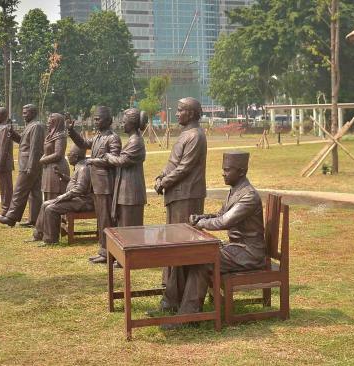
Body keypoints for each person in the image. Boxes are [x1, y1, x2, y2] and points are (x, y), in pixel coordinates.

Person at [156, 151, 265, 323]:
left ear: (241, 172)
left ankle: (188, 318)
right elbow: (219, 214)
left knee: (204, 260)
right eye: (224, 169)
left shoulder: (248, 196)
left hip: (249, 253)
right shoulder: (235, 191)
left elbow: (224, 222)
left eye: (227, 170)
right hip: (235, 248)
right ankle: (171, 302)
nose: (223, 173)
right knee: (186, 253)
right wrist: (203, 217)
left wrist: (200, 224)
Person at [153, 97, 207, 312]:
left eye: (180, 110)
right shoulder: (185, 134)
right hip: (176, 195)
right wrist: (160, 176)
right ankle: (172, 295)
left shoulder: (196, 136)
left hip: (187, 196)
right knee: (173, 245)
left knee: (182, 247)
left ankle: (179, 298)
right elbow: (172, 164)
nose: (176, 114)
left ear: (192, 114)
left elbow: (185, 167)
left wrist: (164, 182)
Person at [67, 106, 122, 264]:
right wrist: (72, 131)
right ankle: (104, 250)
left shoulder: (113, 138)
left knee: (107, 219)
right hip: (96, 185)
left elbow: (113, 160)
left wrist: (92, 161)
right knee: (101, 219)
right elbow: (83, 143)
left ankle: (109, 253)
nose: (95, 121)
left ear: (108, 120)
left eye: (98, 119)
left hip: (106, 185)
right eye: (95, 119)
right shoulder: (98, 137)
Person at [87, 108, 147, 227]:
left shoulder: (135, 141)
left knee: (129, 227)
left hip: (131, 191)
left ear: (132, 123)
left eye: (124, 122)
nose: (122, 124)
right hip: (126, 189)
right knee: (123, 225)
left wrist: (108, 156)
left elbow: (122, 160)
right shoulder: (132, 140)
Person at [31, 145, 94, 245]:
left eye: (70, 155)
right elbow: (75, 182)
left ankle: (51, 240)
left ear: (76, 157)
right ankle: (38, 234)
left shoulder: (83, 168)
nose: (68, 156)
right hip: (77, 199)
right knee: (45, 204)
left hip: (84, 201)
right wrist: (62, 176)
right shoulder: (79, 166)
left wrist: (63, 196)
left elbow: (80, 188)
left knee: (51, 209)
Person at [0, 104, 45, 227]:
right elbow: (23, 142)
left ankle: (11, 217)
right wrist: (13, 134)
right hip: (28, 164)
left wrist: (31, 166)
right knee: (34, 193)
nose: (23, 115)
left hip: (29, 164)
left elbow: (35, 148)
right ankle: (34, 220)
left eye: (26, 113)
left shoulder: (36, 126)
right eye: (23, 113)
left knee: (19, 191)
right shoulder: (29, 126)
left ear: (33, 113)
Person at [40, 113, 70, 202]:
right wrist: (43, 159)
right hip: (48, 169)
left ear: (56, 124)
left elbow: (58, 154)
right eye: (47, 122)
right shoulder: (50, 136)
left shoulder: (60, 136)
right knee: (47, 195)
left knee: (54, 197)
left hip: (56, 169)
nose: (47, 124)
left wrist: (42, 160)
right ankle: (47, 216)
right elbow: (47, 152)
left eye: (50, 123)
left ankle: (54, 216)